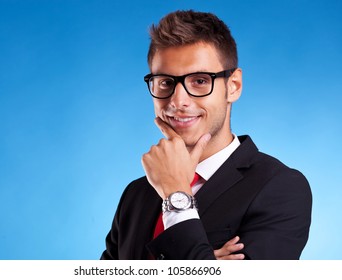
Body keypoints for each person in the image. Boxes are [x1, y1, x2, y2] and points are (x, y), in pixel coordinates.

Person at [101, 10, 312, 260]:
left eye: (200, 81)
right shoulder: (135, 194)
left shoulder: (280, 187)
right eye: (165, 82)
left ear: (232, 86)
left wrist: (175, 196)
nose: (178, 101)